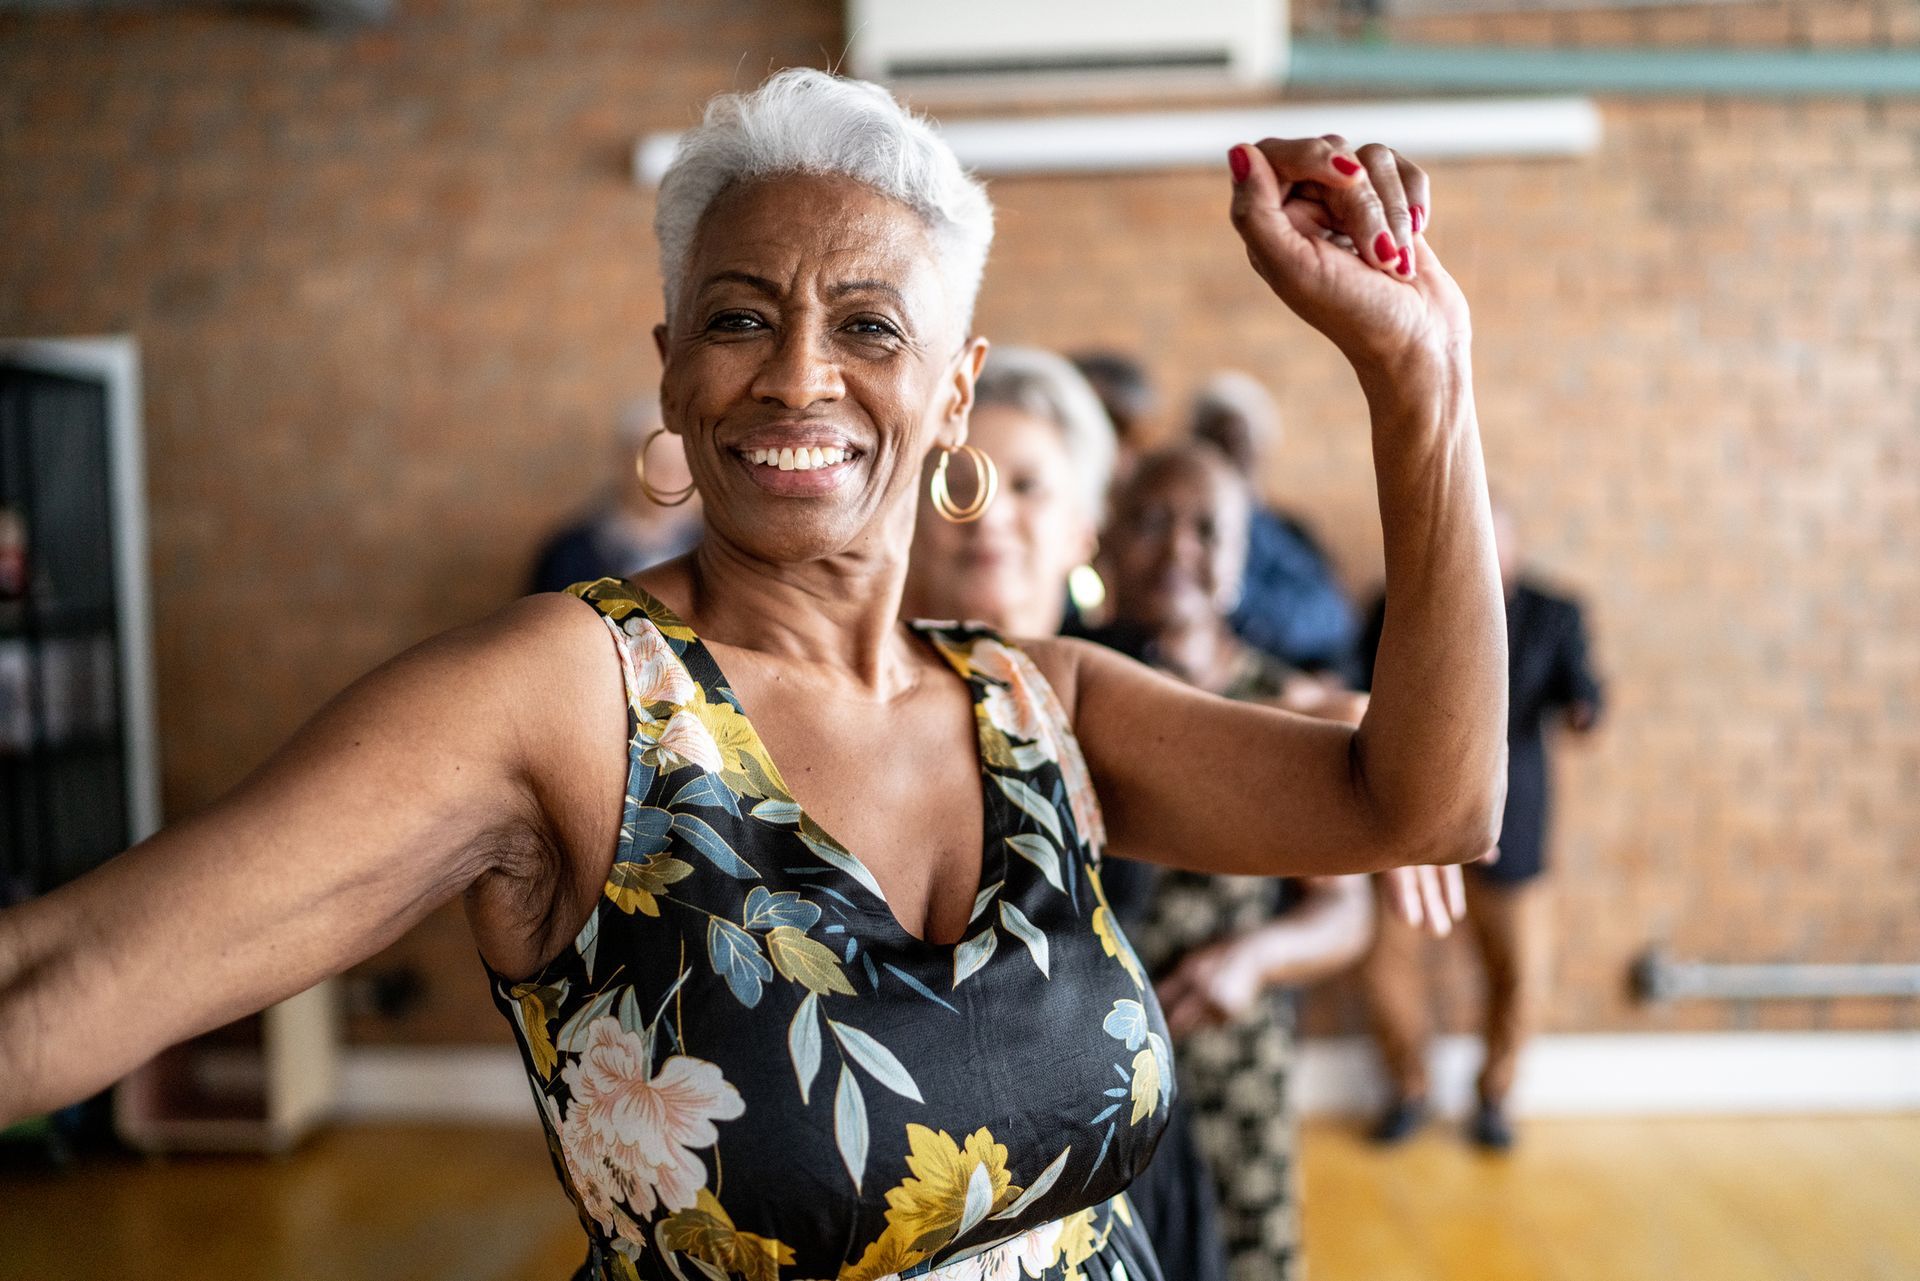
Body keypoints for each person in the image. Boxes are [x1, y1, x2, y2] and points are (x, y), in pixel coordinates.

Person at [0, 68, 1507, 1281]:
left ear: (955, 386)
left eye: (867, 326)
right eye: (739, 318)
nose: (796, 376)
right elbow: (59, 983)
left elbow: (1427, 803)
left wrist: (1418, 377)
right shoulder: (572, 699)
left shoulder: (1043, 704)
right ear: (672, 369)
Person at [1085, 441, 1378, 1281]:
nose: (1179, 548)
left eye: (1208, 530)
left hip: (1227, 1049)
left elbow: (1346, 913)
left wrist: (1251, 960)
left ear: (1243, 563)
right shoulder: (1065, 677)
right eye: (1151, 522)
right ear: (1106, 541)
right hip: (1096, 1052)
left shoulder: (1284, 705)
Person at [1357, 500, 1603, 1152]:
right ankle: (1409, 1086)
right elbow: (1359, 686)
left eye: (1492, 545)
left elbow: (1584, 689)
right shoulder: (1399, 601)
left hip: (1512, 823)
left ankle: (1495, 1094)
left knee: (1522, 974)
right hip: (1415, 825)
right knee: (1386, 962)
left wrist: (1582, 708)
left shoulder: (1554, 612)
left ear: (1515, 549)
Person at [1189, 371, 1360, 674]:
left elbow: (1334, 618)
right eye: (1218, 442)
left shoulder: (1291, 531)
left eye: (1241, 442)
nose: (1232, 455)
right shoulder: (1186, 531)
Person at [528, 400, 704, 593]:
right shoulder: (569, 555)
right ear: (624, 463)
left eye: (685, 465)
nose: (673, 477)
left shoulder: (714, 551)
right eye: (657, 463)